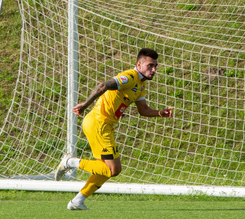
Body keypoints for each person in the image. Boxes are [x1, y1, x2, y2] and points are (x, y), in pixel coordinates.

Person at [55, 48, 174, 210]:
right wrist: (85, 105)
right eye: (150, 66)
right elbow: (105, 85)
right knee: (113, 169)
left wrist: (160, 113)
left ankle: (78, 201)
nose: (153, 70)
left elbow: (143, 109)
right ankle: (70, 162)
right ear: (139, 64)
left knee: (106, 169)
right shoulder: (130, 77)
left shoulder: (140, 85)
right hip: (99, 124)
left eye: (155, 66)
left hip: (105, 126)